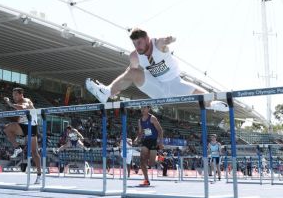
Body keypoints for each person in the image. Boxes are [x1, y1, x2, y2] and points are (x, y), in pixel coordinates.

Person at [85, 28, 228, 112]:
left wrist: (169, 40)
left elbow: (165, 41)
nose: (137, 47)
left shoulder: (158, 44)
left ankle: (211, 105)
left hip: (175, 84)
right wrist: (116, 88)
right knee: (132, 72)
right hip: (156, 87)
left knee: (205, 94)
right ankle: (106, 92)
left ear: (147, 39)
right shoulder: (135, 56)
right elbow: (129, 75)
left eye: (139, 42)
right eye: (134, 44)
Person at [3, 87, 41, 184]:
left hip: (31, 127)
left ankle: (39, 175)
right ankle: (17, 148)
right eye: (13, 95)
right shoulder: (18, 103)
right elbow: (21, 116)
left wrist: (10, 104)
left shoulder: (26, 100)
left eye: (15, 95)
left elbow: (24, 107)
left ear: (21, 94)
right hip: (23, 126)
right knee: (7, 128)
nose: (14, 97)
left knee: (34, 152)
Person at [134, 105, 164, 186]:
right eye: (141, 108)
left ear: (148, 109)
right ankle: (146, 180)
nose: (142, 109)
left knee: (151, 163)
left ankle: (159, 158)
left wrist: (160, 142)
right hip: (146, 141)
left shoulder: (152, 118)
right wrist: (137, 139)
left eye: (144, 108)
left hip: (154, 141)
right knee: (142, 160)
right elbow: (140, 133)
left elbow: (160, 130)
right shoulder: (140, 121)